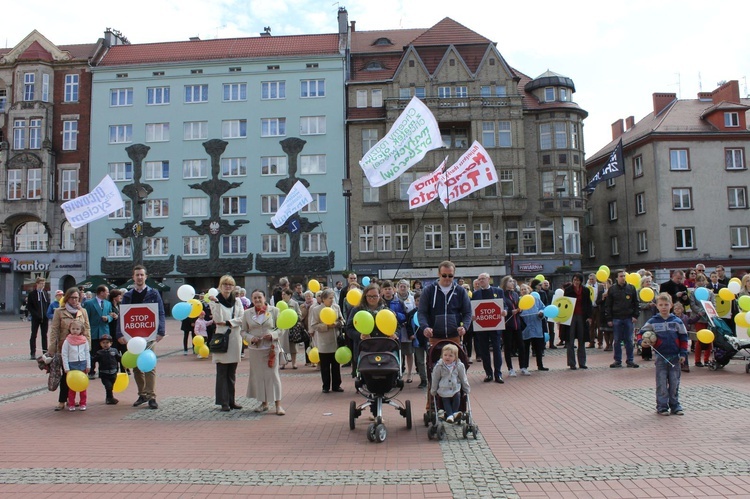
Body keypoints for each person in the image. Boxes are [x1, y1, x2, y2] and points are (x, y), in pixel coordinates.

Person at [116, 265, 166, 410]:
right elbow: (122, 315)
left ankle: (151, 396)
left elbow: (161, 313)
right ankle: (142, 393)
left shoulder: (154, 293)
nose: (139, 277)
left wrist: (161, 331)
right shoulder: (127, 296)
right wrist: (120, 333)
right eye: (137, 275)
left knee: (149, 365)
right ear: (133, 277)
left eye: (141, 275)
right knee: (137, 366)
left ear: (146, 277)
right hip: (132, 336)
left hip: (149, 335)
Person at [639, 293, 688, 416]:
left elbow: (684, 338)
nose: (664, 307)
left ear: (671, 305)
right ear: (657, 306)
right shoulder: (653, 321)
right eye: (661, 305)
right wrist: (641, 342)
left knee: (674, 382)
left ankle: (675, 405)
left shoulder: (677, 321)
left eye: (666, 305)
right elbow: (641, 333)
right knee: (661, 382)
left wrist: (683, 354)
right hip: (661, 357)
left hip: (675, 357)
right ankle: (662, 406)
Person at [241, 289, 285, 415]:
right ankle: (263, 403)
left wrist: (273, 335)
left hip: (271, 348)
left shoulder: (274, 311)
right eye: (254, 298)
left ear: (265, 298)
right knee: (258, 376)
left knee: (273, 376)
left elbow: (281, 328)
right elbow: (243, 331)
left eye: (259, 297)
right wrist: (250, 338)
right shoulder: (247, 313)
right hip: (256, 350)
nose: (257, 300)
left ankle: (278, 405)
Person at [48, 288, 91, 411]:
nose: (74, 300)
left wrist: (88, 344)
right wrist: (52, 347)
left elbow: (87, 329)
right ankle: (62, 400)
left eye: (76, 298)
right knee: (65, 374)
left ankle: (75, 399)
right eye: (72, 297)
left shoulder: (82, 311)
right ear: (67, 298)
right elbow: (55, 330)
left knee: (80, 375)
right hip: (64, 347)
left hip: (80, 348)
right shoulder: (59, 311)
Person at [209, 275, 245, 411]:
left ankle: (231, 400)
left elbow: (241, 318)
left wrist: (229, 322)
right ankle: (223, 401)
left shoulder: (237, 301)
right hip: (222, 338)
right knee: (222, 371)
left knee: (232, 372)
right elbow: (218, 319)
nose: (228, 287)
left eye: (230, 284)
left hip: (235, 338)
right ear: (220, 286)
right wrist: (217, 304)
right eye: (225, 284)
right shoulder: (215, 301)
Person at [417, 261, 472, 347]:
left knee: (455, 360)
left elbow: (468, 312)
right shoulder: (428, 290)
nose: (447, 278)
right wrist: (425, 327)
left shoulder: (460, 291)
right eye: (444, 275)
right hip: (434, 336)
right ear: (439, 274)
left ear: (454, 275)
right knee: (434, 360)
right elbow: (422, 312)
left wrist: (464, 327)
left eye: (450, 276)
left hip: (454, 336)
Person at [309, 288, 346, 393]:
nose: (332, 300)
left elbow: (342, 320)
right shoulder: (317, 310)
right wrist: (326, 326)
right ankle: (325, 386)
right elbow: (314, 325)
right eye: (330, 298)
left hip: (335, 340)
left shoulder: (336, 307)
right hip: (324, 342)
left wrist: (337, 324)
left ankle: (336, 385)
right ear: (324, 299)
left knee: (336, 365)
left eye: (333, 298)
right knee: (325, 366)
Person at [471, 272, 506, 383]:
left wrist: (505, 311)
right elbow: (472, 308)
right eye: (479, 279)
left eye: (483, 279)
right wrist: (472, 315)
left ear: (489, 279)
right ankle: (488, 373)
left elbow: (504, 305)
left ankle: (498, 374)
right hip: (481, 327)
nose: (481, 281)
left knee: (496, 350)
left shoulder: (498, 291)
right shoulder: (475, 294)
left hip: (495, 326)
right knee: (484, 351)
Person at [605, 270, 640, 368]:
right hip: (617, 318)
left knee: (629, 340)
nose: (623, 278)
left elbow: (636, 303)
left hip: (629, 318)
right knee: (617, 340)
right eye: (621, 276)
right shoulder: (612, 289)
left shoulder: (631, 288)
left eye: (624, 276)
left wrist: (635, 315)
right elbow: (608, 305)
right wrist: (609, 318)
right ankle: (617, 360)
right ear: (616, 278)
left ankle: (630, 360)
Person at [430, 343, 470, 424]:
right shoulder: (439, 366)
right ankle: (450, 415)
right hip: (443, 387)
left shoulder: (459, 366)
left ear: (455, 357)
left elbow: (463, 378)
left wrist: (466, 388)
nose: (447, 357)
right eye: (445, 355)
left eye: (450, 356)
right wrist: (433, 390)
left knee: (457, 396)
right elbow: (435, 379)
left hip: (455, 387)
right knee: (445, 400)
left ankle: (454, 413)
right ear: (442, 356)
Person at [560, 273, 592, 370]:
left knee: (581, 340)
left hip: (582, 317)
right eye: (574, 280)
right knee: (570, 339)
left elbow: (589, 304)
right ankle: (572, 363)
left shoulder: (586, 290)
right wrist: (562, 317)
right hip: (571, 317)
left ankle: (582, 362)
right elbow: (564, 304)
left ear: (581, 281)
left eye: (578, 280)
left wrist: (589, 316)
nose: (576, 282)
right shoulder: (568, 290)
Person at [83, 285, 116, 375]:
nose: (108, 293)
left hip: (104, 331)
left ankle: (103, 371)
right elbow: (86, 318)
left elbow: (111, 315)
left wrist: (108, 318)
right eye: (107, 292)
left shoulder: (108, 303)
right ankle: (92, 371)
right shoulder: (89, 303)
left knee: (105, 353)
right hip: (93, 332)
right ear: (101, 292)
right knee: (93, 352)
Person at [381, 281, 411, 381]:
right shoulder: (380, 302)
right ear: (382, 291)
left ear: (394, 290)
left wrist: (396, 315)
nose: (388, 291)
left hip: (396, 332)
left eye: (389, 289)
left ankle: (398, 374)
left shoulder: (399, 302)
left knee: (397, 353)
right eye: (385, 289)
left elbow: (405, 317)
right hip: (382, 333)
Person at [61, 319, 91, 411]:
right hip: (72, 365)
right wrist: (66, 367)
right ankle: (71, 403)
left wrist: (88, 365)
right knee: (72, 387)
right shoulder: (67, 341)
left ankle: (83, 403)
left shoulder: (84, 340)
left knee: (83, 385)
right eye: (73, 328)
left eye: (77, 329)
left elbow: (87, 352)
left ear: (81, 330)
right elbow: (64, 354)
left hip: (82, 363)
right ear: (69, 329)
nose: (75, 330)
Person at [499, 275, 522, 380]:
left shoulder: (516, 294)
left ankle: (523, 367)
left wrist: (520, 309)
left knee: (521, 346)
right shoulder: (502, 294)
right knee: (508, 347)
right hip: (507, 324)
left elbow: (519, 306)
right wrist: (509, 312)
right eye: (510, 281)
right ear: (505, 283)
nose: (512, 283)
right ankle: (510, 368)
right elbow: (502, 308)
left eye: (513, 281)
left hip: (517, 323)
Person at [91, 334, 122, 405]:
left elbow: (119, 359)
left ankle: (109, 398)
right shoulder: (99, 353)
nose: (105, 344)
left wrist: (124, 364)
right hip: (104, 373)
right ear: (100, 344)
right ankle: (109, 398)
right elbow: (94, 360)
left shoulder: (114, 351)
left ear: (111, 343)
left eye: (107, 342)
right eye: (103, 343)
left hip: (113, 372)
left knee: (111, 386)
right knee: (108, 386)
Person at [637, 275, 659, 361]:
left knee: (656, 334)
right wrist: (647, 305)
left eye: (650, 281)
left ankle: (657, 352)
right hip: (644, 316)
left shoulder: (655, 291)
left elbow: (659, 299)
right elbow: (638, 304)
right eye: (647, 282)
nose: (649, 283)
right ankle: (646, 354)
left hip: (654, 314)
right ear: (642, 284)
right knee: (646, 335)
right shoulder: (639, 292)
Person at [278, 288, 302, 369]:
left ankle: (294, 363)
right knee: (282, 347)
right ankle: (283, 363)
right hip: (283, 328)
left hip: (292, 328)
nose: (283, 296)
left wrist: (295, 318)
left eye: (284, 294)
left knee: (293, 347)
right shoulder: (280, 304)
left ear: (289, 295)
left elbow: (299, 314)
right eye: (282, 294)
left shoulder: (294, 303)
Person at [28, 277, 50, 359]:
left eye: (44, 284)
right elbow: (29, 306)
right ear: (37, 284)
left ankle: (45, 351)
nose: (42, 285)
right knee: (34, 335)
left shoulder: (45, 293)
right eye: (41, 284)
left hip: (45, 318)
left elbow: (48, 304)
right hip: (36, 318)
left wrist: (47, 314)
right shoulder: (32, 294)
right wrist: (35, 314)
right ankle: (32, 353)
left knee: (44, 335)